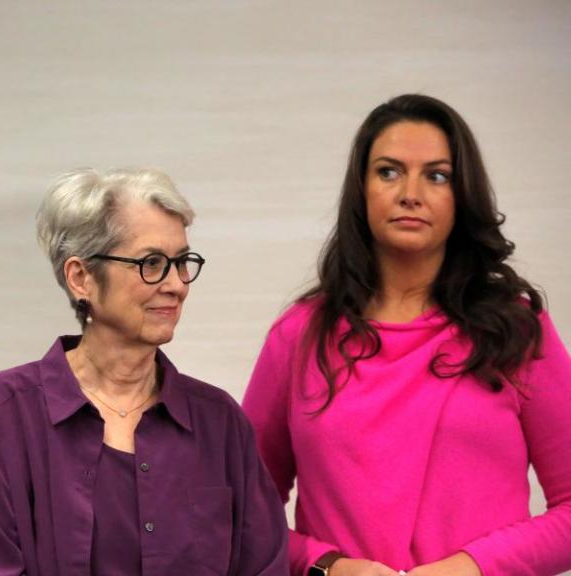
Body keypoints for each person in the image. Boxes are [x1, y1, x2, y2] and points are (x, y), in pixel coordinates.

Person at [242, 94, 571, 576]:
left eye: (436, 175)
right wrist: (327, 568)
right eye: (389, 171)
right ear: (361, 187)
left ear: (462, 195)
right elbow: (242, 516)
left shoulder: (515, 329)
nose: (410, 193)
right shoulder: (299, 335)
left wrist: (471, 569)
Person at [0, 167, 289, 575]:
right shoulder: (3, 411)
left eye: (182, 262)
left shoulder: (220, 422)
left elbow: (265, 566)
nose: (177, 284)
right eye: (151, 262)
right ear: (81, 278)